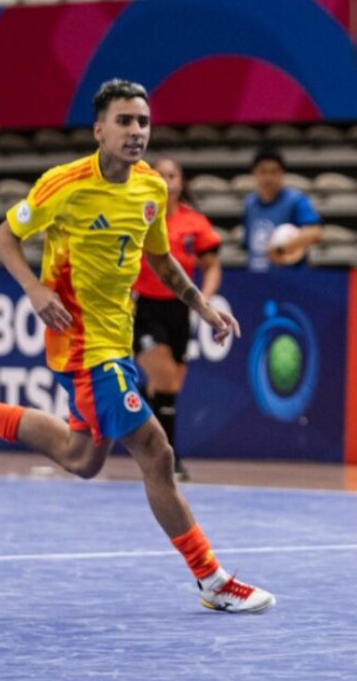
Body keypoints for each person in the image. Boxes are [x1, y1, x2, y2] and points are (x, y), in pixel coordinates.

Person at [0, 79, 275, 613]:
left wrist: (203, 307)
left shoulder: (151, 188)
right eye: (125, 122)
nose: (136, 132)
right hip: (82, 344)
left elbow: (163, 261)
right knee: (156, 451)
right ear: (99, 130)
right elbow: (3, 236)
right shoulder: (64, 184)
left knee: (82, 459)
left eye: (143, 122)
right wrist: (34, 290)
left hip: (115, 339)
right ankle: (212, 580)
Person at [132, 157, 222, 482]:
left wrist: (204, 301)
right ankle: (168, 456)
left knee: (169, 385)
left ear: (181, 182)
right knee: (166, 379)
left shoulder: (194, 223)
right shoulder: (138, 217)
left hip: (179, 309)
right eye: (160, 174)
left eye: (173, 175)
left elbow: (211, 265)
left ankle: (137, 407)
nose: (167, 180)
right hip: (144, 308)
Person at [240, 146, 323, 271]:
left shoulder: (296, 200)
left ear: (282, 174)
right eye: (263, 172)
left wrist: (281, 249)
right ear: (254, 173)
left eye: (274, 172)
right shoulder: (250, 204)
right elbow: (248, 244)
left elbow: (315, 232)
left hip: (288, 277)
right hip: (257, 276)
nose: (268, 178)